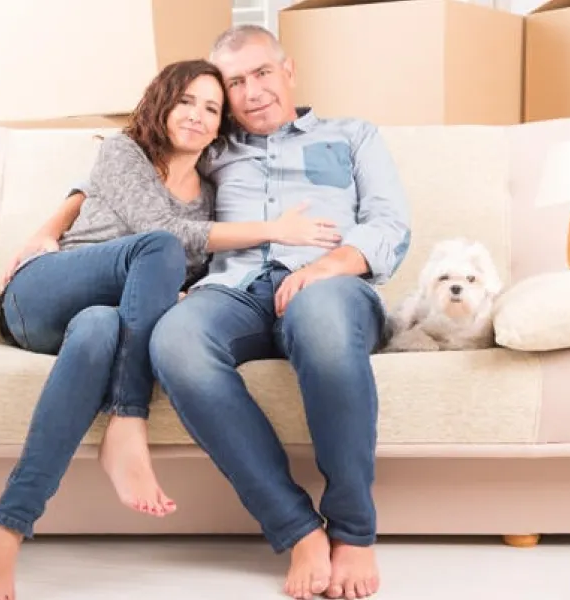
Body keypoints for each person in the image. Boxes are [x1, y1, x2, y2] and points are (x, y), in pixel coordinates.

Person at [0, 59, 344, 600]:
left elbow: (196, 263)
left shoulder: (211, 194)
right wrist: (274, 229)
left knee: (99, 328)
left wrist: (186, 293)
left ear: (220, 125)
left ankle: (4, 533)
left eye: (211, 108)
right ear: (162, 102)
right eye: (185, 100)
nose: (196, 115)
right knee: (160, 244)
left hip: (104, 318)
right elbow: (159, 232)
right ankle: (127, 418)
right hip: (43, 294)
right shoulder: (125, 151)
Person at [148, 25, 411, 600]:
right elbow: (131, 170)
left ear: (288, 71)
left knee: (321, 320)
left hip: (330, 283)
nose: (252, 92)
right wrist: (54, 225)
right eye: (235, 82)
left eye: (262, 73)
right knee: (174, 340)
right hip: (234, 288)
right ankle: (297, 528)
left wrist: (326, 267)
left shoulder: (353, 135)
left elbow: (390, 224)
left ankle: (353, 530)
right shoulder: (213, 147)